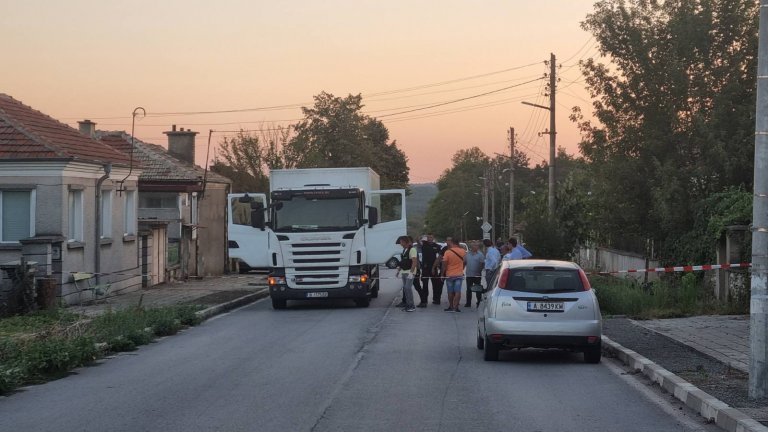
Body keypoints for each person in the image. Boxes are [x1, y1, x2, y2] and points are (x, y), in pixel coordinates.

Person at [441, 237, 466, 312]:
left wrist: (442, 274)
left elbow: (444, 264)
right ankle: (456, 307)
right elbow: (465, 261)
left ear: (452, 243)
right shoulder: (463, 251)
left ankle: (451, 306)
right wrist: (461, 268)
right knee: (457, 291)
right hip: (459, 274)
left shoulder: (447, 252)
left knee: (450, 291)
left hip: (449, 275)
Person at [395, 235, 418, 312]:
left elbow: (414, 262)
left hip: (409, 272)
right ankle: (408, 305)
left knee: (408, 288)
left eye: (401, 242)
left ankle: (412, 305)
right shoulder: (404, 250)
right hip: (404, 272)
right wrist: (398, 271)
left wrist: (411, 273)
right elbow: (403, 262)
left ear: (405, 242)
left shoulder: (412, 250)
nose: (400, 243)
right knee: (405, 289)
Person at [419, 234, 442, 305]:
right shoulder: (424, 244)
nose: (429, 238)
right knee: (425, 285)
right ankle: (424, 301)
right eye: (428, 237)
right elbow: (418, 240)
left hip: (434, 268)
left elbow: (440, 256)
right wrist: (421, 236)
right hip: (425, 268)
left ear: (433, 238)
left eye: (431, 237)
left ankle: (436, 300)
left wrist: (438, 265)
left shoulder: (437, 246)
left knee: (435, 285)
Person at [464, 242, 485, 308]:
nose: (476, 247)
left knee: (478, 289)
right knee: (468, 289)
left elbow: (482, 264)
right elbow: (464, 262)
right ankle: (468, 303)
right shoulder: (467, 254)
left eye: (477, 245)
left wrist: (479, 271)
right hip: (469, 274)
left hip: (477, 275)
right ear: (471, 247)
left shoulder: (480, 255)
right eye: (474, 245)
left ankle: (478, 302)